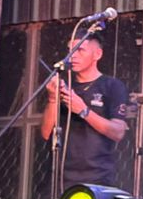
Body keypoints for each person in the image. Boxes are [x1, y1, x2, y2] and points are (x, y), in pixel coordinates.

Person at [39, 30, 130, 189]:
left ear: (97, 54)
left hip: (97, 178)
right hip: (60, 179)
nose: (73, 56)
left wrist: (83, 110)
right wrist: (53, 98)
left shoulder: (112, 86)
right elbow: (46, 133)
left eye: (80, 50)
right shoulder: (63, 85)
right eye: (70, 51)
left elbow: (118, 132)